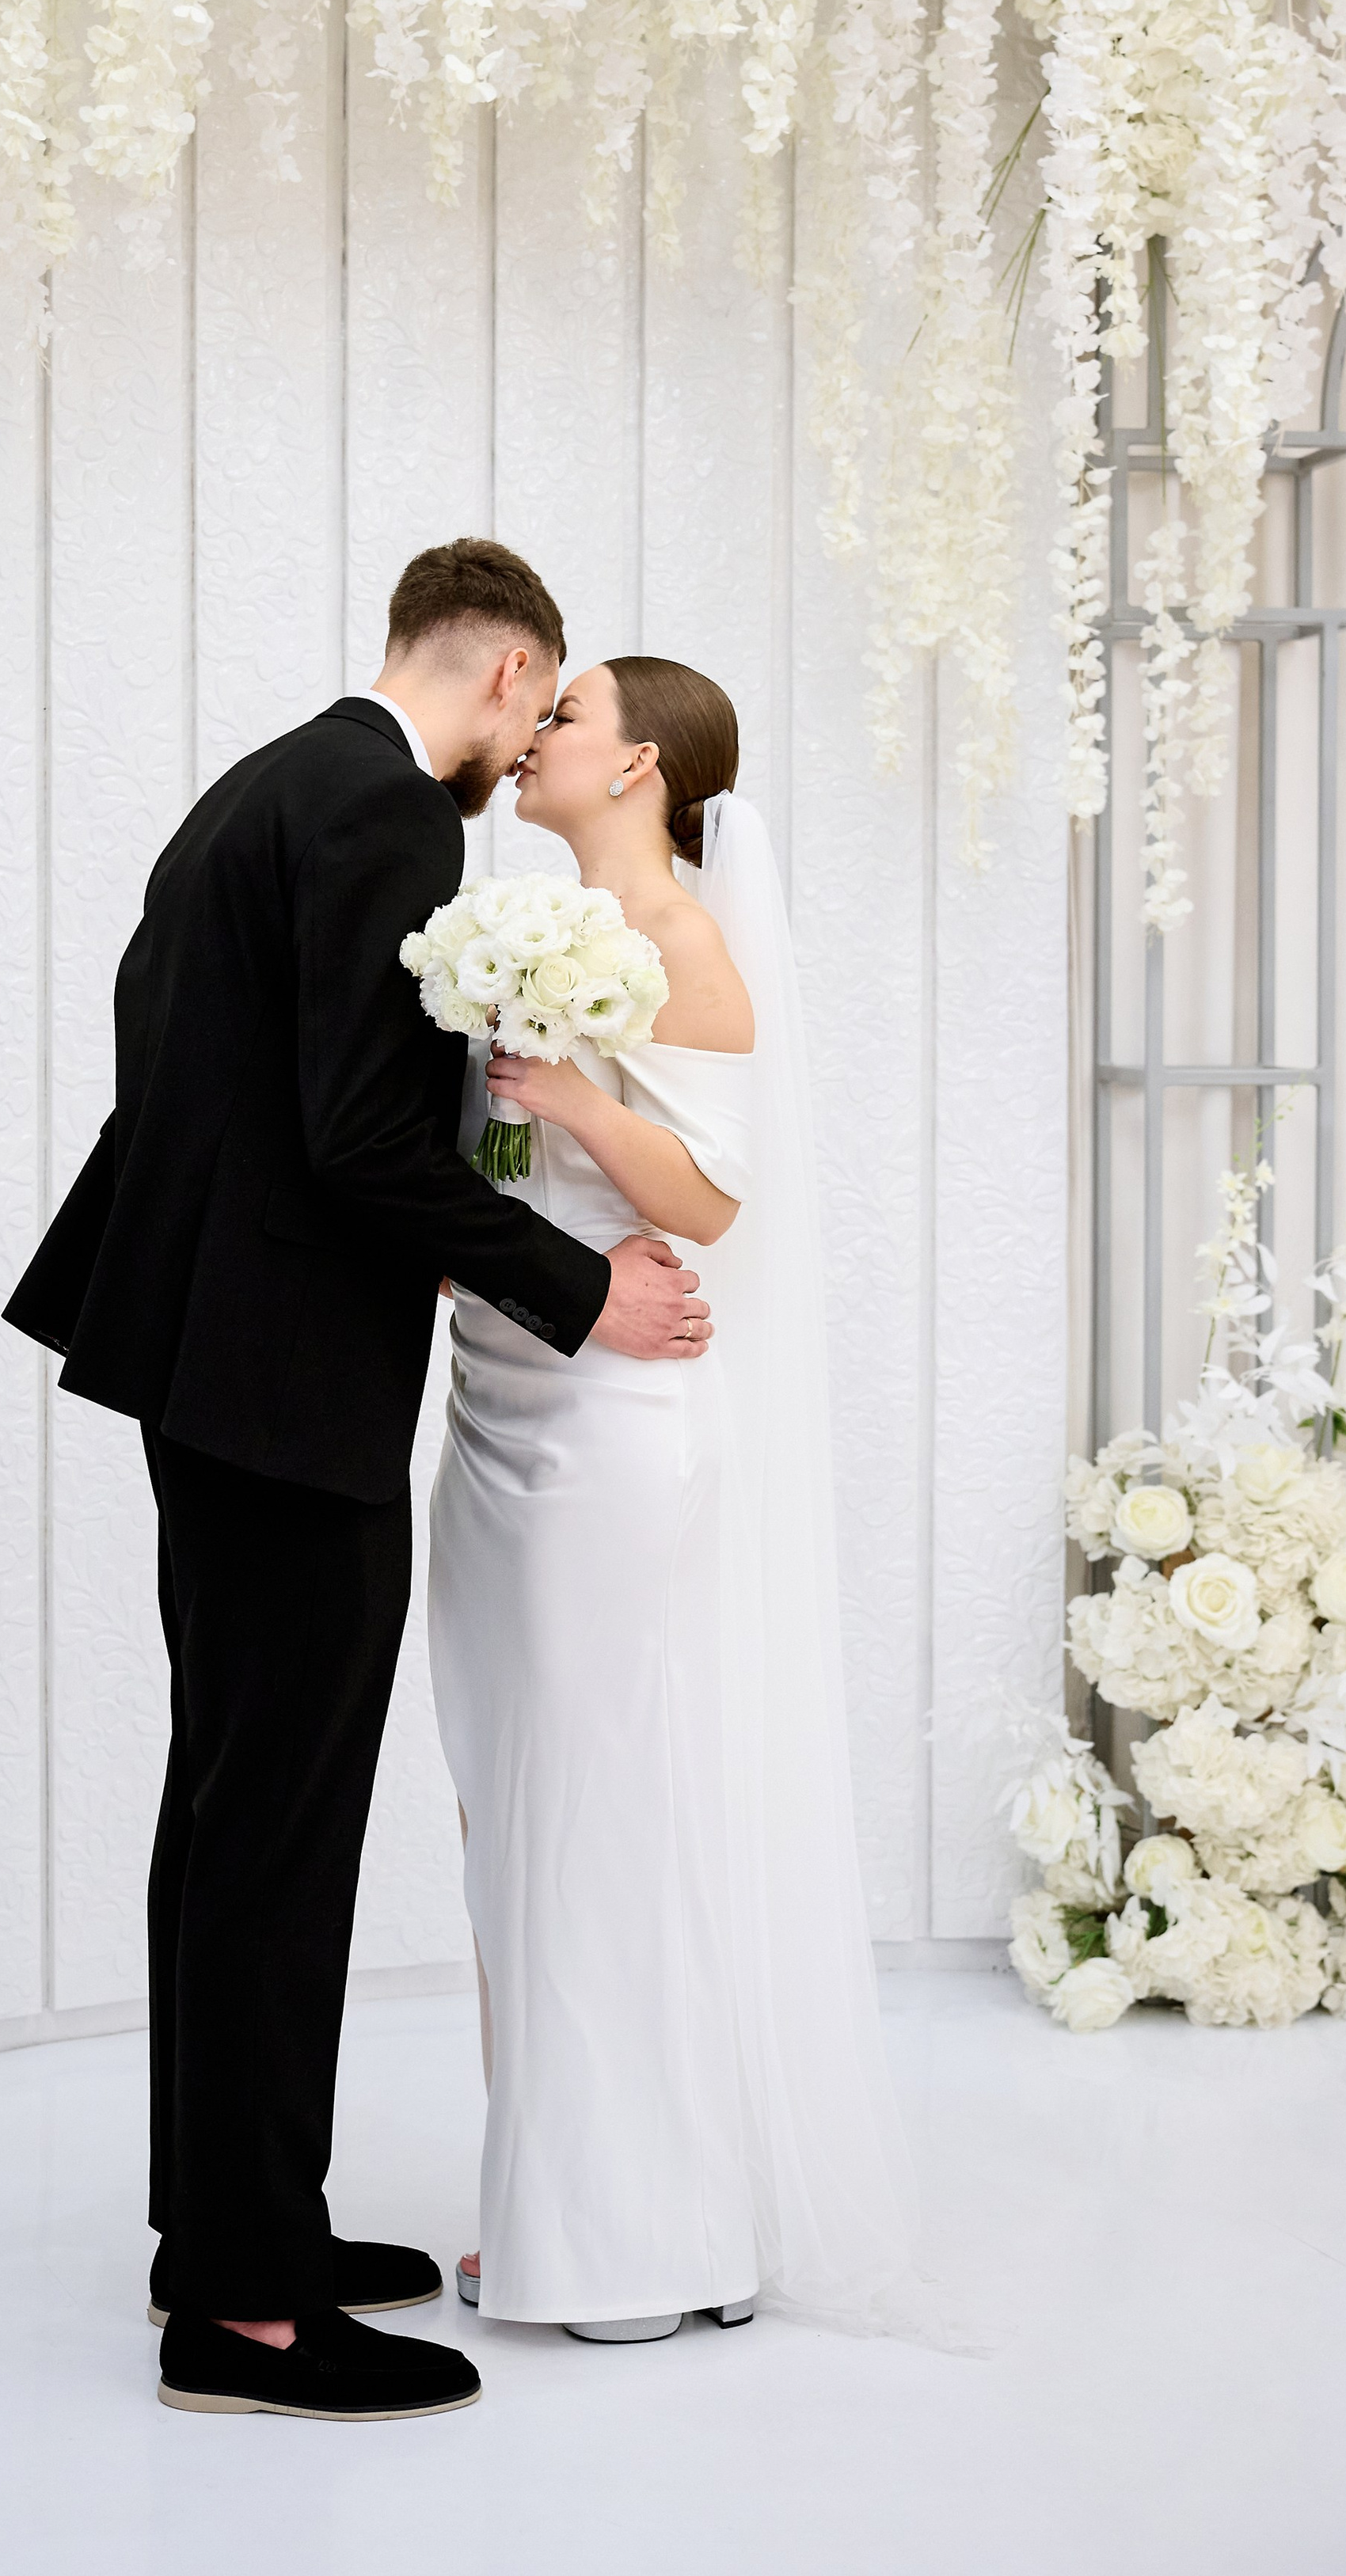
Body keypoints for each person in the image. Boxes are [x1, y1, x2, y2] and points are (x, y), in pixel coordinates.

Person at [3, 544, 715, 2422]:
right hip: (275, 1391)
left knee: (239, 1808)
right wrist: (580, 1291)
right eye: (535, 706)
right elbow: (352, 1136)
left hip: (215, 1367)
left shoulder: (261, 783)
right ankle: (242, 2313)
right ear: (496, 674)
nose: (528, 747)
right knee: (273, 1825)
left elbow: (189, 1063)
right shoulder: (391, 816)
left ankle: (240, 2233)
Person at [432, 656, 926, 2345]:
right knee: (508, 1809)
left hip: (611, 1427)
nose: (535, 735)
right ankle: (552, 2189)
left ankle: (642, 2232)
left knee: (598, 1806)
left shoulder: (685, 941)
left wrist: (566, 1089)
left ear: (636, 763)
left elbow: (709, 1198)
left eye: (562, 715)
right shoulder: (522, 918)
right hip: (495, 1405)